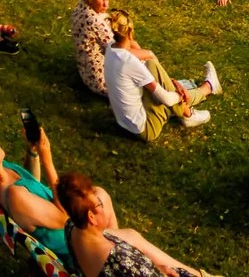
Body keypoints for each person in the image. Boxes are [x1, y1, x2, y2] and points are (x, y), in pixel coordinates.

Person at [58, 174, 207, 277]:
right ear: (91, 217)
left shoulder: (71, 227)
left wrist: (155, 268)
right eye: (100, 204)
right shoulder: (118, 259)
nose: (103, 207)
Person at [101, 9, 219, 139]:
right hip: (145, 128)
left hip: (124, 121)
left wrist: (173, 83)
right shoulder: (129, 62)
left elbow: (143, 61)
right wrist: (180, 95)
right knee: (169, 96)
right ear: (130, 34)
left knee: (153, 67)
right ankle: (195, 105)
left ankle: (205, 89)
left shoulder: (111, 49)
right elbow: (167, 99)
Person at [1, 117, 68, 264]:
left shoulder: (4, 168)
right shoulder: (15, 197)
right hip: (74, 246)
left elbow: (32, 186)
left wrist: (33, 153)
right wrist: (47, 160)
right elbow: (65, 219)